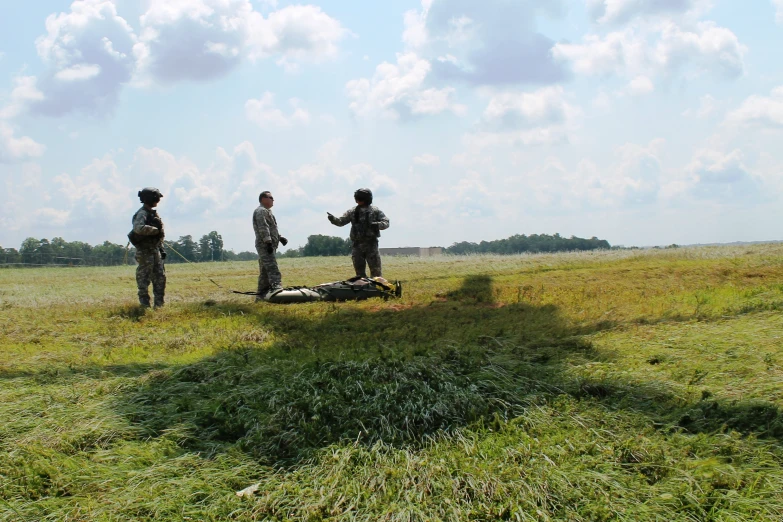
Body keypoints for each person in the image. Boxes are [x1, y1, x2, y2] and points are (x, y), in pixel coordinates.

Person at [327, 188, 389, 278]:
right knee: (359, 275)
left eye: (360, 199)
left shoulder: (375, 211)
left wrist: (377, 225)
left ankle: (376, 290)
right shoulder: (352, 211)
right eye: (357, 199)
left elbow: (386, 223)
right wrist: (333, 219)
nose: (358, 201)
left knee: (376, 273)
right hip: (357, 246)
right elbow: (341, 221)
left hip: (371, 245)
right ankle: (364, 290)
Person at [129, 187, 166, 308]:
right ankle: (145, 305)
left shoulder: (152, 213)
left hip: (155, 251)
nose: (158, 200)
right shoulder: (142, 213)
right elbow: (138, 228)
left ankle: (159, 305)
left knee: (160, 278)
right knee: (144, 278)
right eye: (156, 198)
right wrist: (154, 230)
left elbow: (159, 234)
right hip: (145, 252)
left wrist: (161, 248)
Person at [253, 191, 288, 300]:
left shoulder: (267, 211)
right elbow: (263, 227)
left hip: (269, 244)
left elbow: (271, 227)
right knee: (272, 267)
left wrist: (279, 237)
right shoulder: (261, 211)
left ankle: (260, 295)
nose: (273, 200)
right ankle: (277, 287)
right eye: (271, 197)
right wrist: (268, 242)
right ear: (263, 199)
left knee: (264, 272)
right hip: (264, 245)